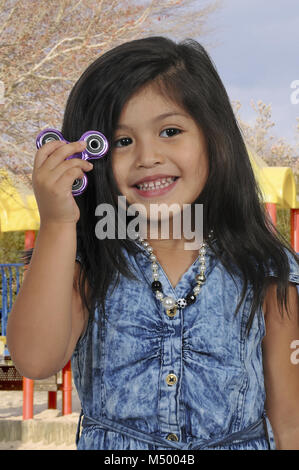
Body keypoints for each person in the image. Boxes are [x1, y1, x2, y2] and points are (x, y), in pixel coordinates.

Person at [6, 36, 299, 450]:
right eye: (122, 141)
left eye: (170, 131)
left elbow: (291, 421)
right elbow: (35, 360)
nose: (147, 156)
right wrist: (56, 222)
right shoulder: (88, 260)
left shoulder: (267, 265)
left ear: (214, 137)